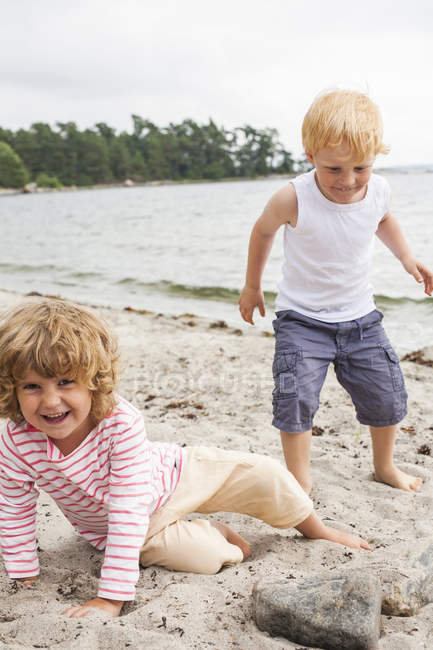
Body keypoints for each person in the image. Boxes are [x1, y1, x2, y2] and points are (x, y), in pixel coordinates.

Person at [0, 299, 370, 619]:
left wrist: (110, 598)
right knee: (205, 556)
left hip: (173, 474)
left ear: (93, 381)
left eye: (65, 383)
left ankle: (316, 529)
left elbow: (129, 499)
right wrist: (24, 573)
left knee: (267, 472)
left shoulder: (118, 421)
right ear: (12, 389)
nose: (50, 401)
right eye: (32, 387)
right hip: (124, 527)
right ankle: (218, 531)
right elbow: (15, 508)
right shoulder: (17, 440)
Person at [239, 89, 433, 496]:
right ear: (310, 155)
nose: (348, 181)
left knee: (387, 393)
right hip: (302, 320)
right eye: (334, 169)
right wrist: (252, 285)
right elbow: (263, 231)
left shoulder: (378, 189)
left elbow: (383, 220)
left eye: (360, 168)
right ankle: (300, 482)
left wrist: (407, 258)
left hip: (361, 317)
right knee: (295, 399)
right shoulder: (293, 196)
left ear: (376, 156)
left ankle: (384, 466)